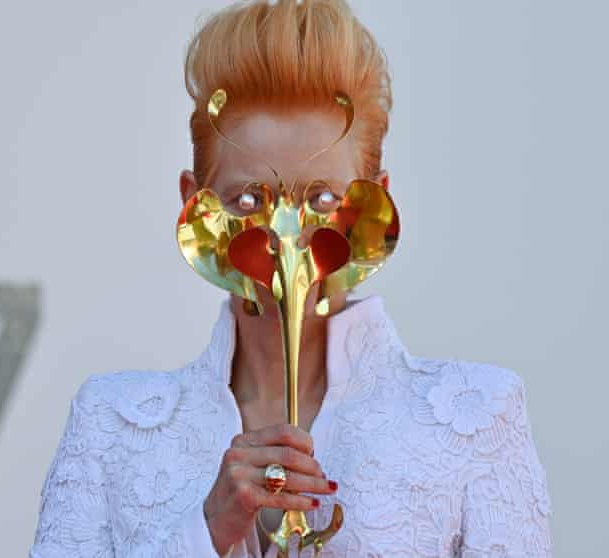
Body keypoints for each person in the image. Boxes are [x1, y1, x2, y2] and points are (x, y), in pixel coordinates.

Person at [29, 1, 553, 556]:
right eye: (248, 199)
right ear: (194, 206)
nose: (286, 237)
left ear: (376, 203)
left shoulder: (475, 418)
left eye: (323, 199)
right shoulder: (111, 425)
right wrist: (206, 532)